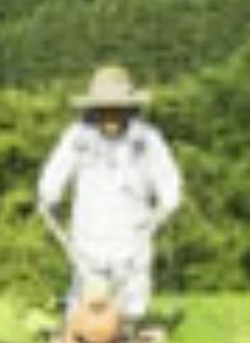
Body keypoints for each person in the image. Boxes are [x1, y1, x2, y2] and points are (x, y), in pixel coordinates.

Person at [38, 65, 182, 321]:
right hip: (87, 250)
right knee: (84, 322)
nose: (111, 116)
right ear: (94, 108)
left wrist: (164, 209)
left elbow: (169, 184)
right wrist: (49, 196)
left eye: (117, 109)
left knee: (130, 323)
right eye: (105, 109)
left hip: (133, 247)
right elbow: (53, 177)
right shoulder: (78, 138)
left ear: (129, 108)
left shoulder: (148, 140)